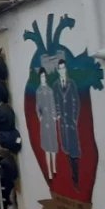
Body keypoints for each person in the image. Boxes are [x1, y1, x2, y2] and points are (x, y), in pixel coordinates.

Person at [54, 59, 81, 191]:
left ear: (66, 69)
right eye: (60, 68)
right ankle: (72, 173)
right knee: (66, 148)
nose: (62, 70)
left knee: (74, 149)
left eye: (63, 68)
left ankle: (76, 176)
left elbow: (76, 102)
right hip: (63, 123)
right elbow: (56, 102)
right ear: (58, 70)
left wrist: (74, 118)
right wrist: (58, 114)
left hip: (70, 121)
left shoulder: (72, 84)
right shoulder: (56, 85)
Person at [35, 67, 59, 179]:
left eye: (44, 76)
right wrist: (40, 117)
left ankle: (54, 168)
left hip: (51, 119)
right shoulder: (38, 91)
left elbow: (53, 104)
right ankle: (49, 171)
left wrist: (54, 116)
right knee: (46, 146)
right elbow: (37, 107)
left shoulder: (50, 90)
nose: (43, 78)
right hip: (44, 120)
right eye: (41, 77)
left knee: (53, 144)